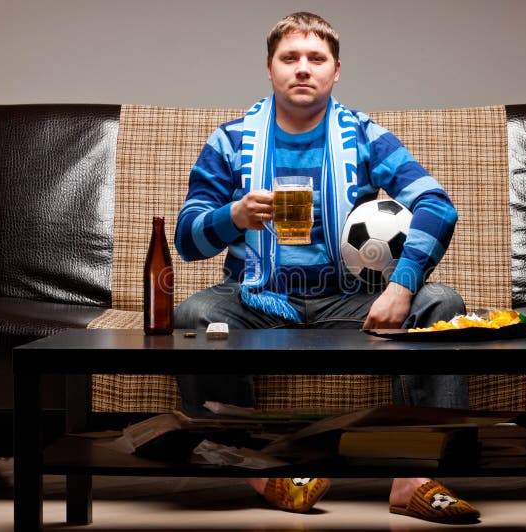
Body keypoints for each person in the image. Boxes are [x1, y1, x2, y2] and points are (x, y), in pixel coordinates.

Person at [173, 11, 479, 525]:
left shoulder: (363, 135)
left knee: (441, 303)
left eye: (316, 58)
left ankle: (413, 477)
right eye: (289, 58)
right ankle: (259, 471)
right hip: (258, 299)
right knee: (193, 315)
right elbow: (186, 239)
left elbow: (436, 205)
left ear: (336, 71)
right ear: (269, 69)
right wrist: (234, 216)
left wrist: (401, 286)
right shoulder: (230, 140)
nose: (302, 68)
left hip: (350, 300)